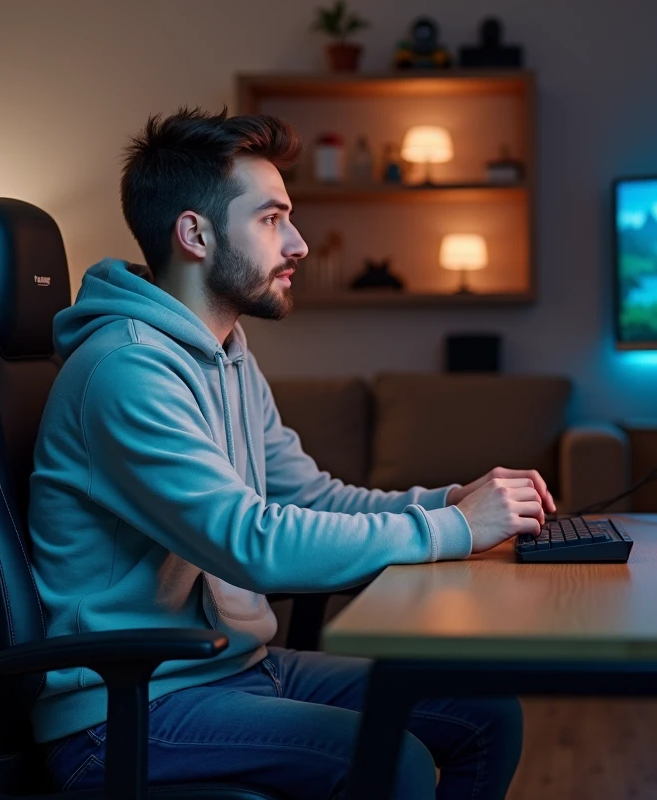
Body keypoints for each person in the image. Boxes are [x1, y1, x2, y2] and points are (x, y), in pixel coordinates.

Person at [28, 108, 554, 799]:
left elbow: (308, 496)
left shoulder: (226, 354)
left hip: (233, 668)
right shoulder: (126, 370)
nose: (299, 243)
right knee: (392, 760)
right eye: (272, 219)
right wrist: (453, 529)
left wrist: (450, 501)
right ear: (195, 234)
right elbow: (248, 542)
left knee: (483, 713)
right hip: (127, 706)